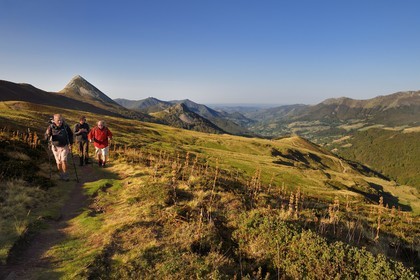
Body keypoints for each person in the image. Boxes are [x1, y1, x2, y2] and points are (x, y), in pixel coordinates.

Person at [45, 114, 73, 181]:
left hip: (64, 146)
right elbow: (46, 137)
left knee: (64, 160)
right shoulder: (51, 127)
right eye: (58, 120)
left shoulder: (66, 126)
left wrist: (71, 144)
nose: (60, 122)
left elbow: (70, 135)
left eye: (61, 120)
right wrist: (47, 134)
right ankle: (60, 174)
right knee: (58, 162)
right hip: (55, 147)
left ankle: (65, 175)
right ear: (54, 120)